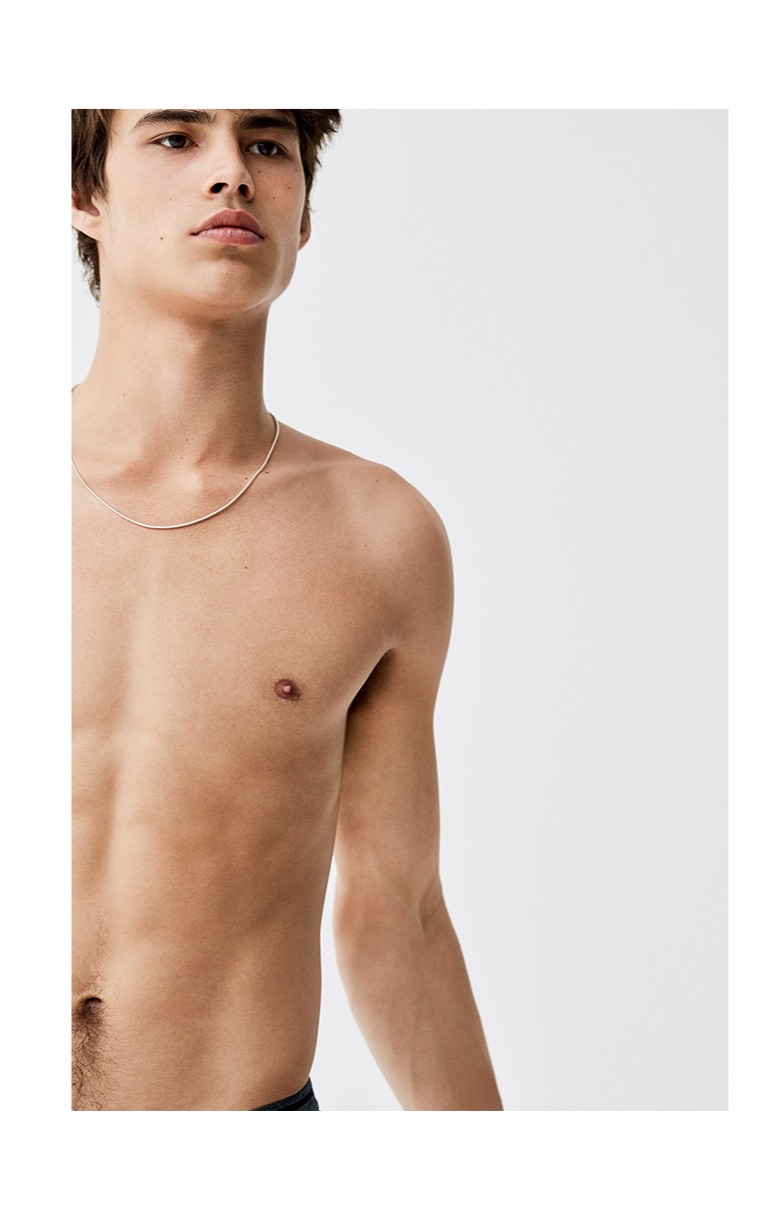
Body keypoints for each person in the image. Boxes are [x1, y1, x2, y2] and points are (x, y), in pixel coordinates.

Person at [71, 109, 503, 1112]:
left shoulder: (378, 537)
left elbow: (397, 916)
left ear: (302, 215)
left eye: (267, 145)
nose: (231, 173)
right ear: (85, 194)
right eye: (176, 138)